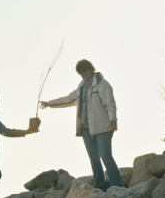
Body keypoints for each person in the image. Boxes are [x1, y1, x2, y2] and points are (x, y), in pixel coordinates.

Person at [39, 60, 124, 189]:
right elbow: (68, 100)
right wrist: (49, 103)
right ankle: (100, 187)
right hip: (85, 129)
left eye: (85, 70)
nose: (83, 74)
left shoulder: (103, 84)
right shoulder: (81, 87)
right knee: (94, 160)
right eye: (80, 72)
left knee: (106, 156)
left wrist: (113, 119)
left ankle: (118, 187)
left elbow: (110, 103)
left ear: (91, 68)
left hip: (103, 127)